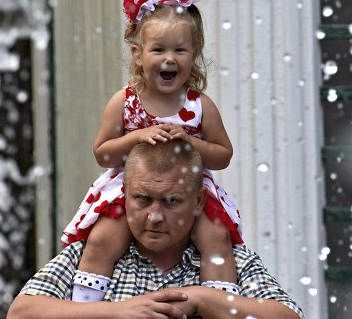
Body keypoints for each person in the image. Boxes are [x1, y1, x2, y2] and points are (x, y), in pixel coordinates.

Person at [61, 0, 243, 303]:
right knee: (104, 238)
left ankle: (219, 305)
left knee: (216, 237)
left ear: (194, 55)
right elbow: (102, 154)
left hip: (185, 190)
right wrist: (137, 138)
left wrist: (191, 143)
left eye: (180, 51)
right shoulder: (124, 102)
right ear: (138, 55)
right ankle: (86, 304)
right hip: (132, 188)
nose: (169, 59)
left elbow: (223, 156)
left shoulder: (199, 106)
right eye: (159, 50)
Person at [7, 140, 304, 319]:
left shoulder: (233, 261)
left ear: (199, 201)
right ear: (123, 193)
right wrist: (118, 312)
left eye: (171, 201)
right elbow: (20, 313)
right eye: (142, 199)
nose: (154, 216)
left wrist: (198, 298)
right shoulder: (88, 256)